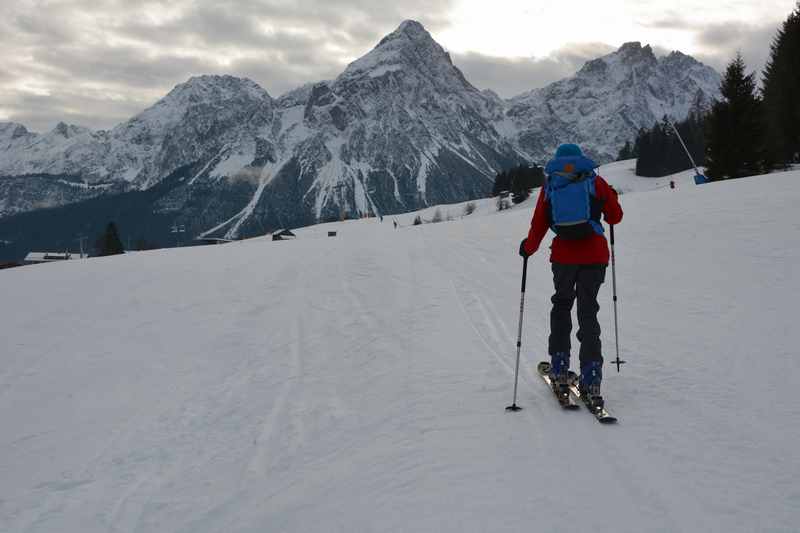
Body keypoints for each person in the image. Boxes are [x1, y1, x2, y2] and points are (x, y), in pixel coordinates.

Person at [519, 144, 623, 401]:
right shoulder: (595, 181)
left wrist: (528, 248)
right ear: (580, 158)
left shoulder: (551, 185)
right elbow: (615, 217)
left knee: (562, 307)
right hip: (595, 257)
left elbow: (539, 223)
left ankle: (560, 369)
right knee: (589, 312)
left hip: (564, 258)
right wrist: (611, 197)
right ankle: (592, 378)